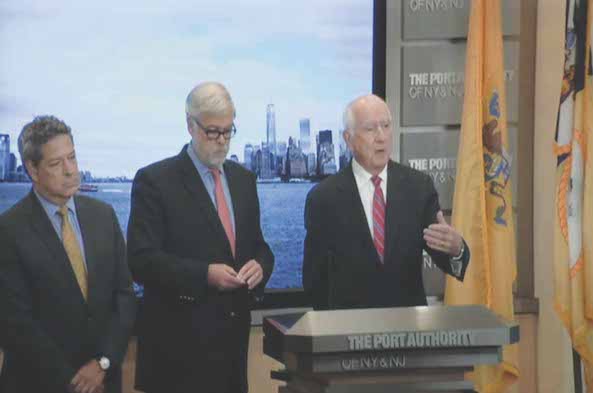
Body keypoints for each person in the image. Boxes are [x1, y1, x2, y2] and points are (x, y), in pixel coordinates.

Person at [127, 82, 274, 393]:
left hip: (232, 354)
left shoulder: (244, 180)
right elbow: (140, 261)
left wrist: (261, 266)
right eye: (212, 132)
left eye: (228, 131)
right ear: (190, 125)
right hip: (176, 356)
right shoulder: (154, 181)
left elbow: (259, 246)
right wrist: (204, 275)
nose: (222, 141)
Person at [0, 115, 137, 393]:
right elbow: (15, 323)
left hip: (105, 380)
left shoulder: (103, 216)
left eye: (72, 158)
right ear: (33, 170)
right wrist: (76, 381)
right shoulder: (9, 230)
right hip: (40, 384)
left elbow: (124, 297)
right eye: (56, 163)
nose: (70, 170)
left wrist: (104, 364)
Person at [302, 94, 470, 310]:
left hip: (406, 332)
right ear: (348, 138)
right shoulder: (323, 198)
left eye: (386, 126)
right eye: (370, 129)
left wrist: (456, 249)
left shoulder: (418, 188)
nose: (381, 137)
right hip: (347, 332)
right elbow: (313, 280)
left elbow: (447, 260)